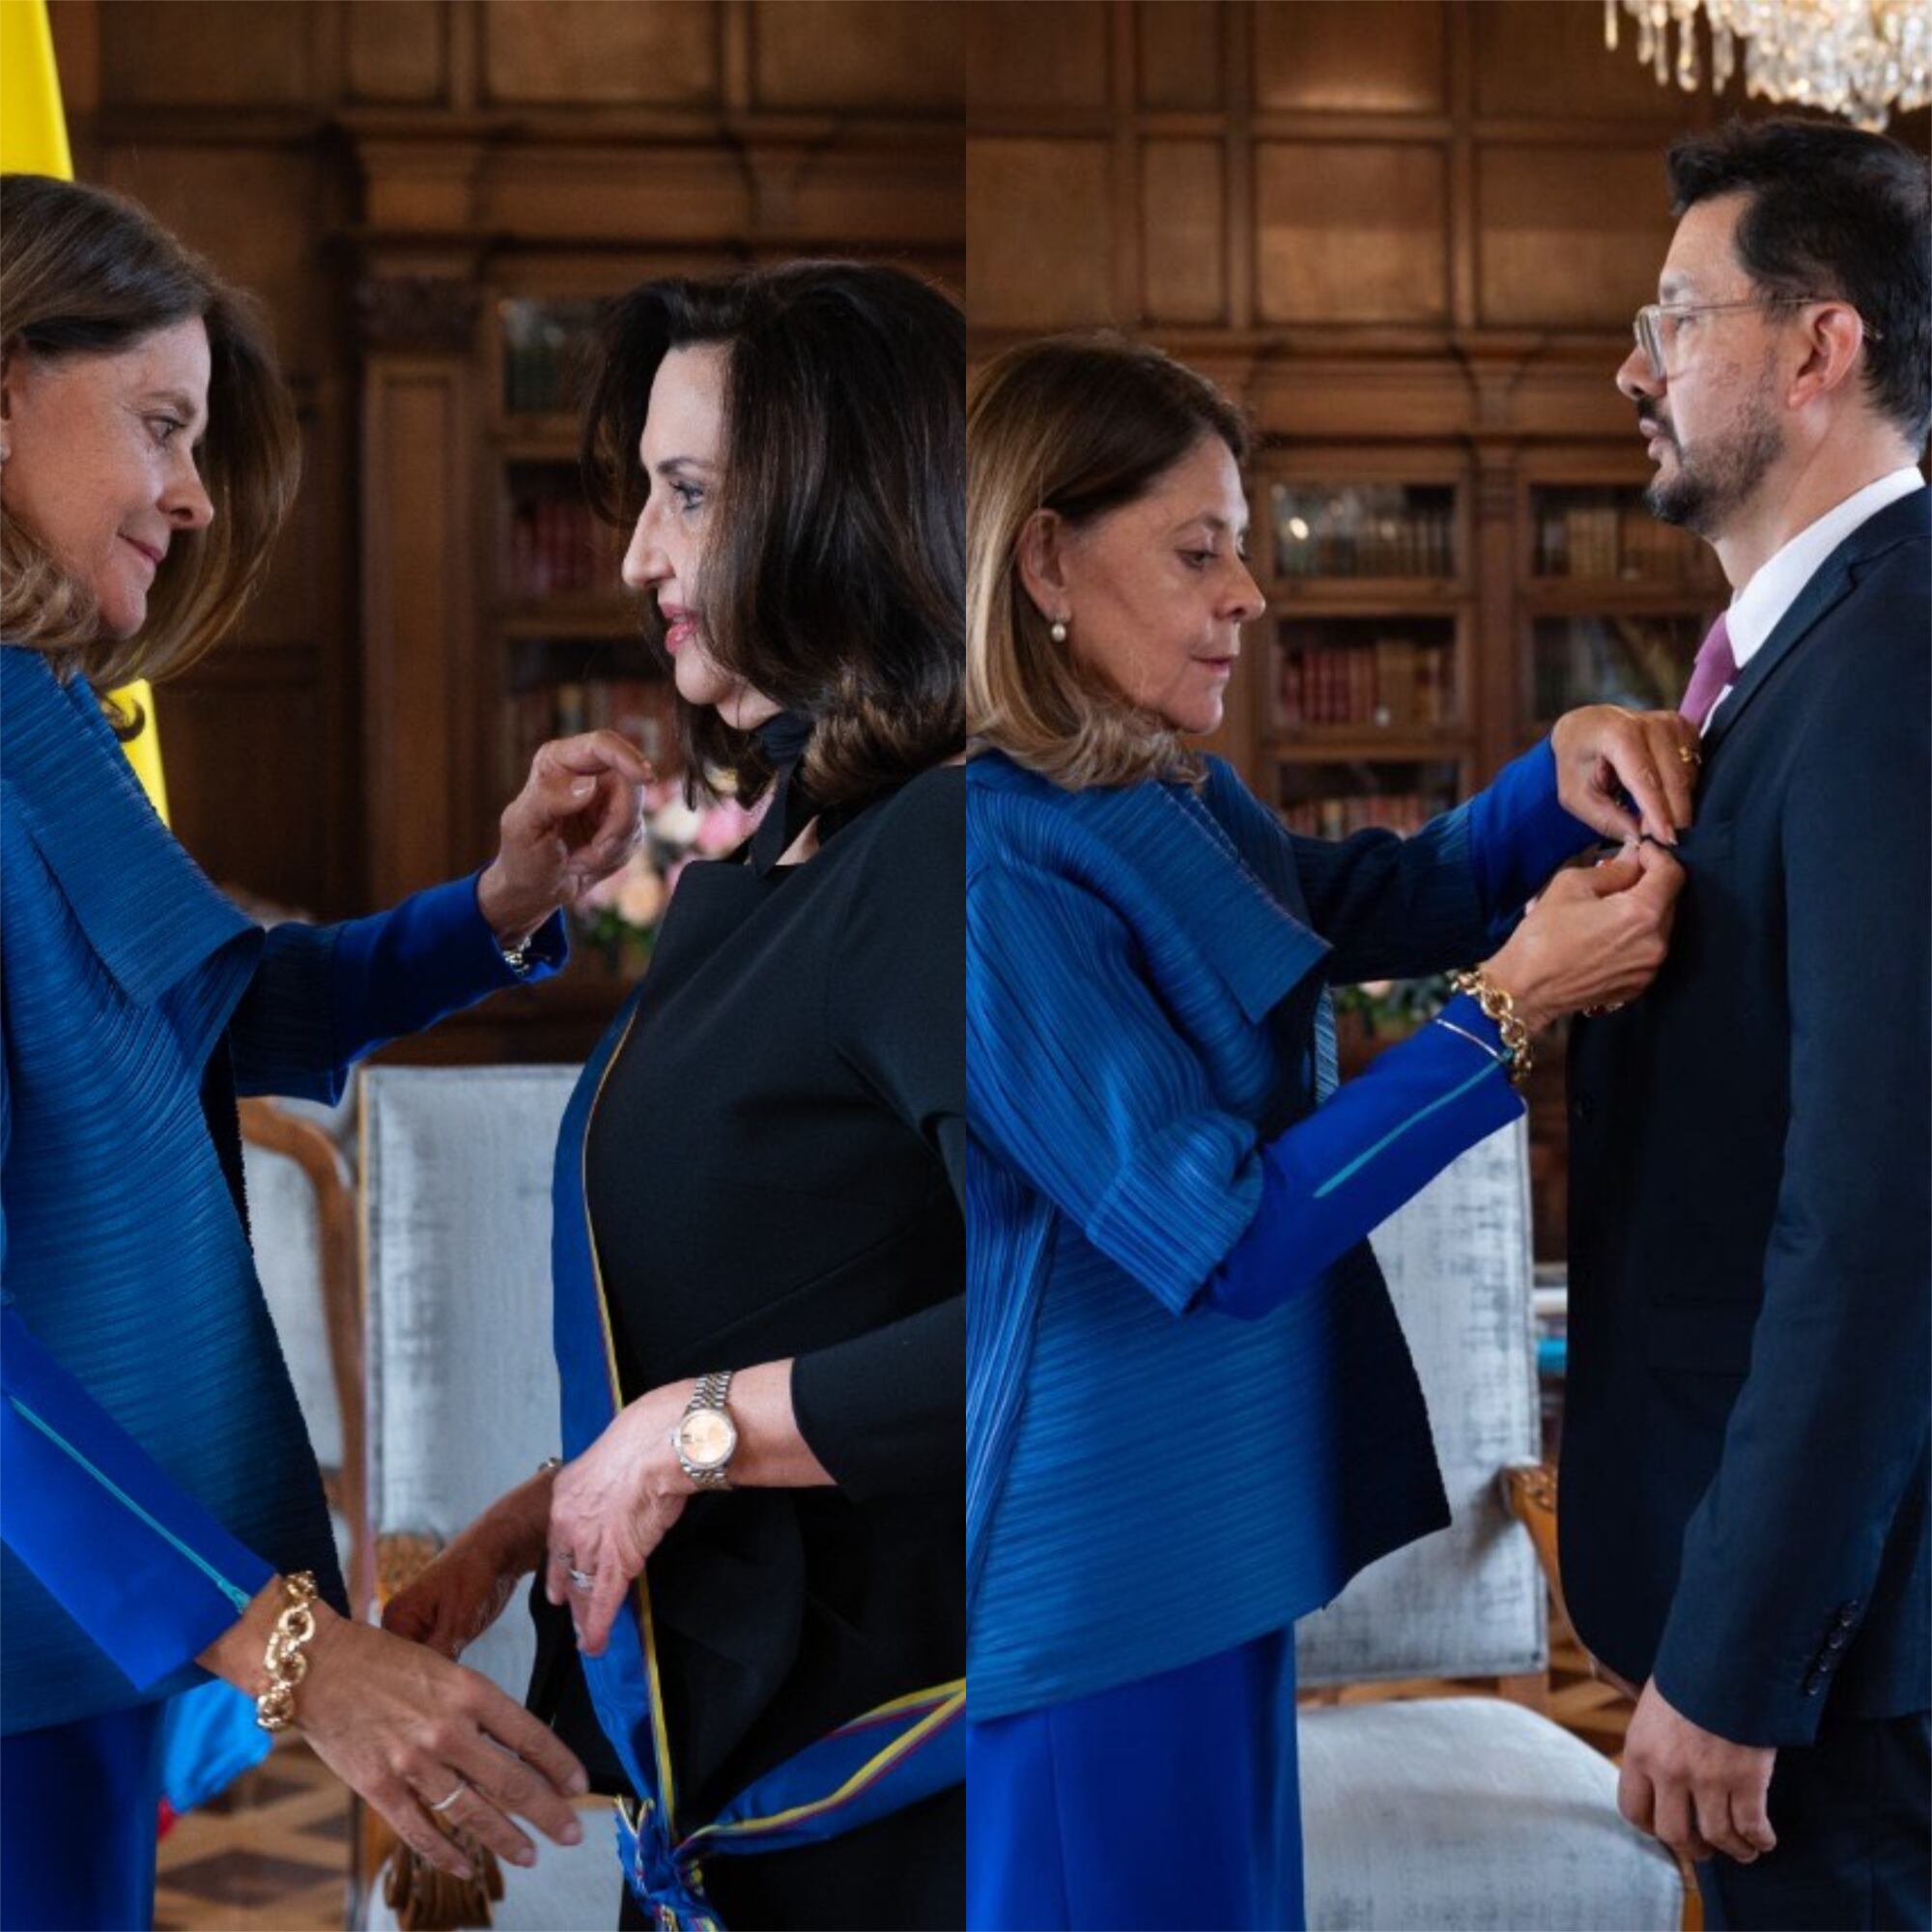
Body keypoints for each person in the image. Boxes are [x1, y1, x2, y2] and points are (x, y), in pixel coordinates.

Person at [963, 333, 1695, 1932]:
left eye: (1244, 548)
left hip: (1209, 1532)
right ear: (1044, 563)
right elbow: (1219, 1235)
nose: (1250, 594)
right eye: (1200, 550)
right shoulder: (994, 864)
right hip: (1105, 1566)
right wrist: (1507, 1010)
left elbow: (1370, 895)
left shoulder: (1154, 790)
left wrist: (1550, 778)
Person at [0, 173, 647, 1930]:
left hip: (60, 1615)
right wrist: (293, 1654)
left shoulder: (38, 705)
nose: (194, 494)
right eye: (159, 425)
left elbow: (215, 1012)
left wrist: (502, 901)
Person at [384, 262, 966, 1932]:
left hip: (894, 1780)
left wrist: (682, 1443)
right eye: (645, 491)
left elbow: (1055, 1322)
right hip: (726, 1765)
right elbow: (790, 1273)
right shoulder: (764, 856)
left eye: (690, 493)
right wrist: (524, 1526)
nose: (641, 552)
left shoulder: (948, 853)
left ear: (845, 506)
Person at [1563, 118, 1930, 1931]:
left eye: (1673, 319)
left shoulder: (1893, 665)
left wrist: (1744, 1652)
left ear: (1817, 348)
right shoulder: (1811, 656)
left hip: (1847, 1672)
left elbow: (1878, 1213)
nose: (1632, 369)